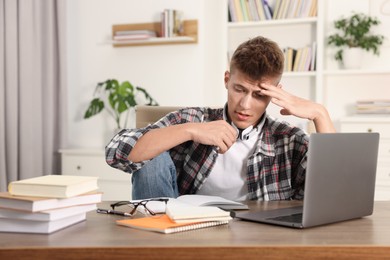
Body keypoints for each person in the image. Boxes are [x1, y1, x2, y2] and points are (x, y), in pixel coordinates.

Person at [105, 36, 336, 202]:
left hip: (261, 240)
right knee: (151, 154)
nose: (245, 104)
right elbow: (116, 153)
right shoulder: (194, 119)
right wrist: (190, 131)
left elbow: (333, 196)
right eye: (239, 89)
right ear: (227, 79)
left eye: (259, 95)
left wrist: (320, 115)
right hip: (184, 233)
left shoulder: (288, 139)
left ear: (276, 92)